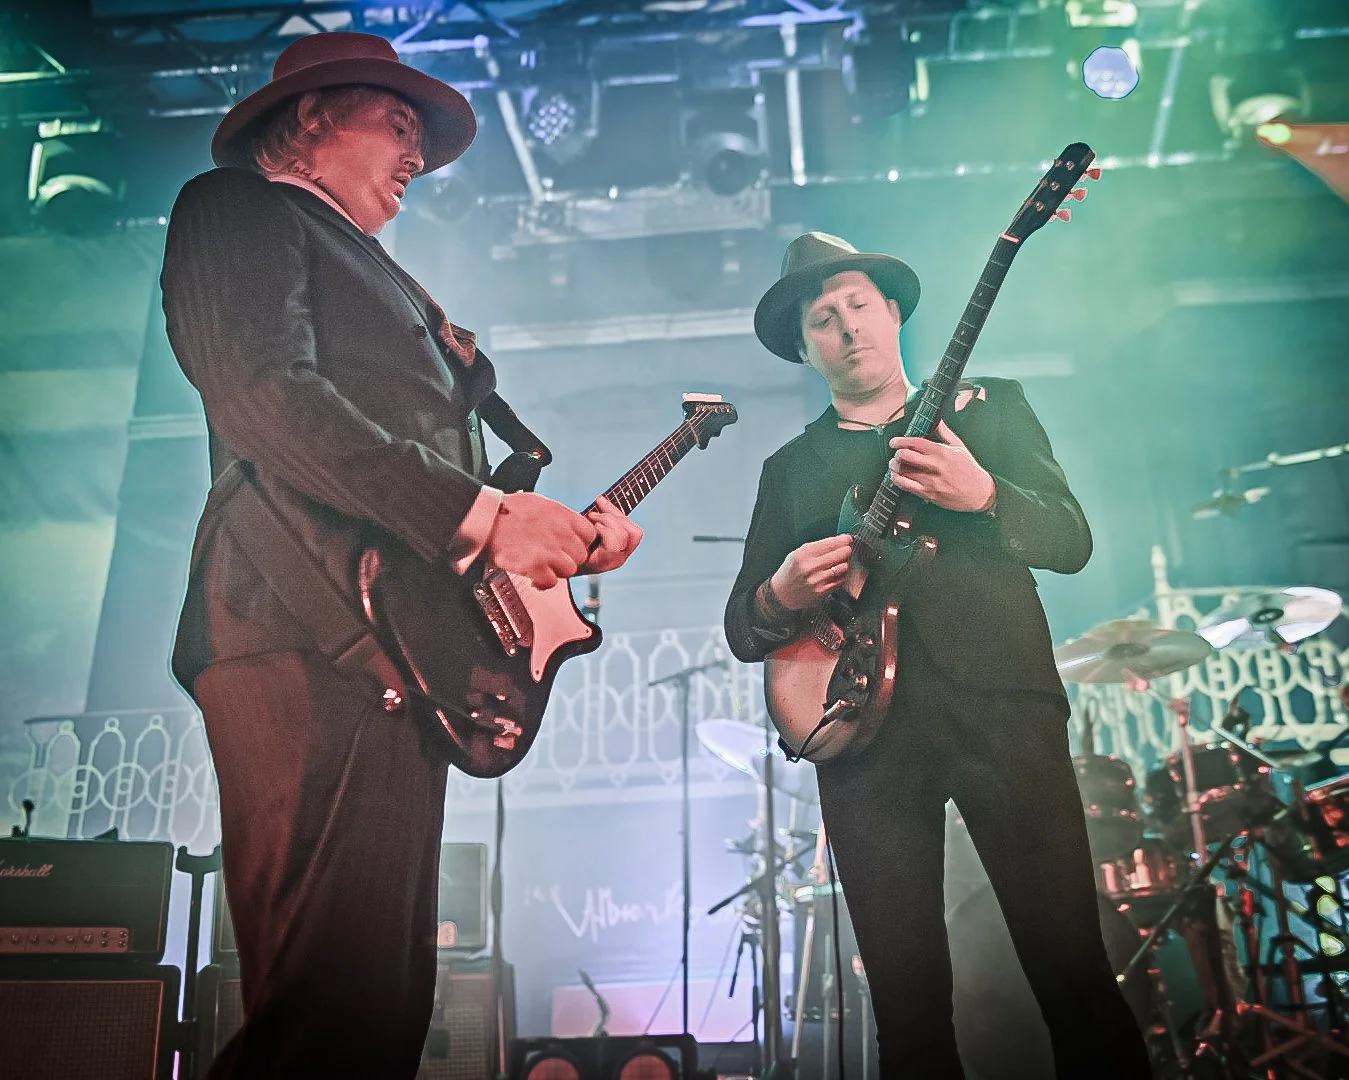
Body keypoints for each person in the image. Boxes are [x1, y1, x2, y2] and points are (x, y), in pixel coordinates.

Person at [161, 32, 642, 1079]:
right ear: (311, 118)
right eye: (396, 120)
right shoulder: (236, 208)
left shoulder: (381, 274)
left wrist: (538, 535)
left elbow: (411, 477)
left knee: (371, 1012)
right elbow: (263, 397)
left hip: (384, 634)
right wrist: (483, 520)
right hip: (301, 624)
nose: (416, 149)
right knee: (328, 1009)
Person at [724, 232, 1152, 1079]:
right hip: (862, 738)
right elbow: (744, 629)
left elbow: (1070, 541)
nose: (845, 327)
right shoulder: (791, 469)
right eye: (822, 318)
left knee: (1070, 970)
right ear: (805, 349)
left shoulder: (990, 407)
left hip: (1003, 705)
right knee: (907, 1008)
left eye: (856, 305)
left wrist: (985, 494)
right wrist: (779, 590)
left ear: (890, 313)